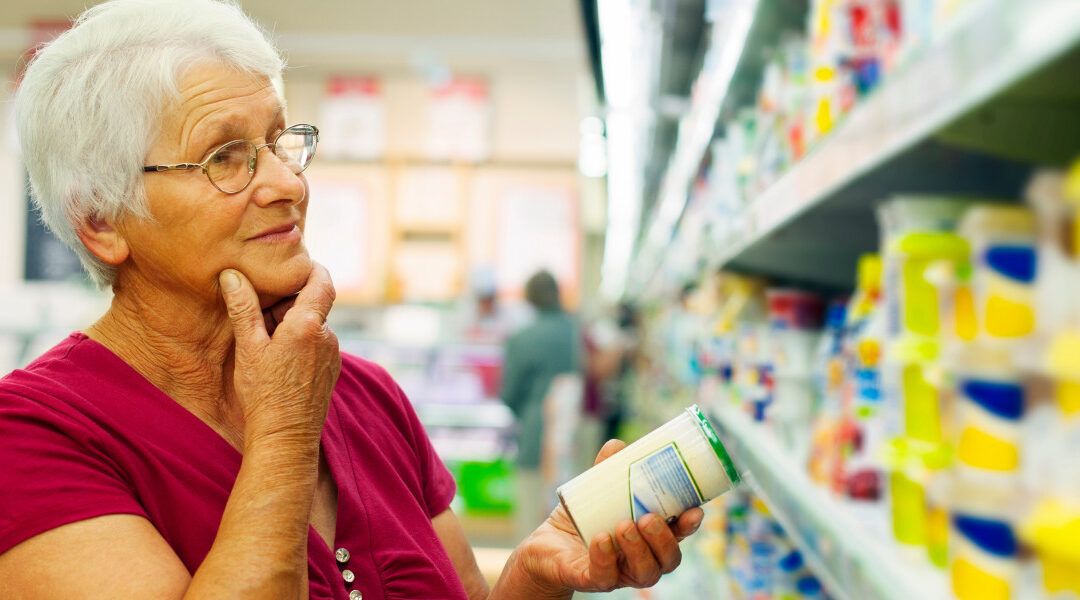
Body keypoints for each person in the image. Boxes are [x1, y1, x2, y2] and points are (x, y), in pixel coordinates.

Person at [0, 1, 704, 599]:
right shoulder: (34, 436)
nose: (286, 183)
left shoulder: (366, 396)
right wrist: (282, 433)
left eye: (279, 142)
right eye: (226, 157)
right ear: (101, 221)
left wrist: (534, 574)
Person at [500, 270, 583, 542]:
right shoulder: (580, 332)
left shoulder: (522, 339)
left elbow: (509, 395)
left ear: (530, 299)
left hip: (537, 440)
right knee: (576, 527)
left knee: (532, 532)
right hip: (579, 441)